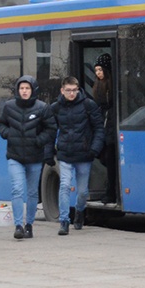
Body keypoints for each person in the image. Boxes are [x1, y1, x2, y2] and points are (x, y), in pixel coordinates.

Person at [0, 75, 55, 240]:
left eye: (27, 88)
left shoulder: (42, 108)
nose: (24, 91)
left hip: (35, 157)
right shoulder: (9, 106)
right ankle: (18, 226)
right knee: (17, 189)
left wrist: (39, 141)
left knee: (32, 192)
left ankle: (29, 225)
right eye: (21, 88)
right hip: (14, 155)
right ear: (17, 90)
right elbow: (1, 123)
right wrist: (8, 134)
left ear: (33, 90)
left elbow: (51, 129)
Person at [45, 76, 105, 235]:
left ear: (78, 90)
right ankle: (64, 221)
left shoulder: (88, 105)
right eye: (68, 90)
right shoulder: (55, 108)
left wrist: (95, 149)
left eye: (74, 90)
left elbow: (99, 128)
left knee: (83, 192)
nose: (71, 93)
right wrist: (49, 152)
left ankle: (79, 211)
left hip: (84, 154)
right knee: (64, 186)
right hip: (65, 153)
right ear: (62, 90)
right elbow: (50, 132)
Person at [92, 54, 117, 204]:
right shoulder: (98, 86)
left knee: (110, 158)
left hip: (110, 128)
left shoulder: (113, 86)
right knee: (104, 157)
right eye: (96, 70)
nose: (98, 73)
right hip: (103, 126)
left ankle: (111, 190)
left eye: (100, 70)